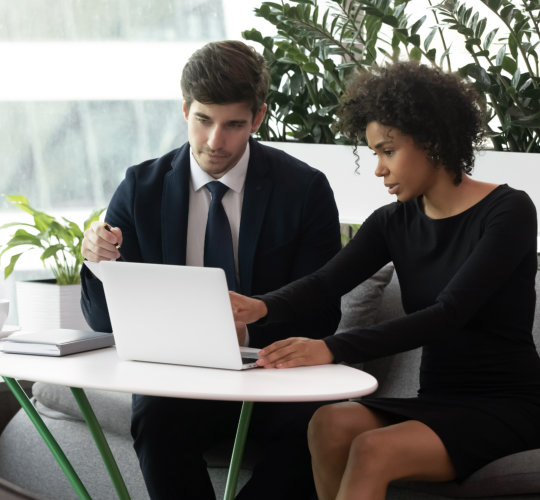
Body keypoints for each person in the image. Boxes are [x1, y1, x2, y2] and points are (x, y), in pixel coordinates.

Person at [230, 61, 540, 500]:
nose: (378, 168)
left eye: (387, 151)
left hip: (505, 405)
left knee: (374, 449)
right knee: (329, 423)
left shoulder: (509, 211)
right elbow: (325, 282)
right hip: (437, 399)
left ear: (432, 141)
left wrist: (331, 348)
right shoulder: (392, 223)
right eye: (374, 152)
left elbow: (448, 314)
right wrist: (259, 306)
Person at [80, 40, 342, 499]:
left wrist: (245, 332)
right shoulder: (141, 187)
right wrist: (97, 262)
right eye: (203, 120)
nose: (215, 142)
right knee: (155, 421)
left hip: (272, 372)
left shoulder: (304, 190)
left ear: (258, 118)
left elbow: (323, 314)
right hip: (177, 380)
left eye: (233, 125)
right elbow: (103, 320)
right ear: (185, 109)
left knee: (312, 429)